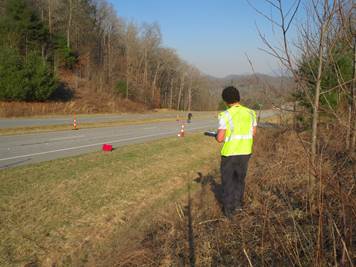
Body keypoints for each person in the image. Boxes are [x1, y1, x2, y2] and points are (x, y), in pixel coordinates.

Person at [215, 86, 257, 218]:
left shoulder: (225, 115)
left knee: (228, 182)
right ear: (238, 98)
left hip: (230, 153)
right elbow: (253, 132)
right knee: (240, 179)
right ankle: (238, 206)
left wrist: (217, 136)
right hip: (245, 152)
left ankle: (228, 211)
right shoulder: (251, 113)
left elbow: (220, 138)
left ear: (226, 101)